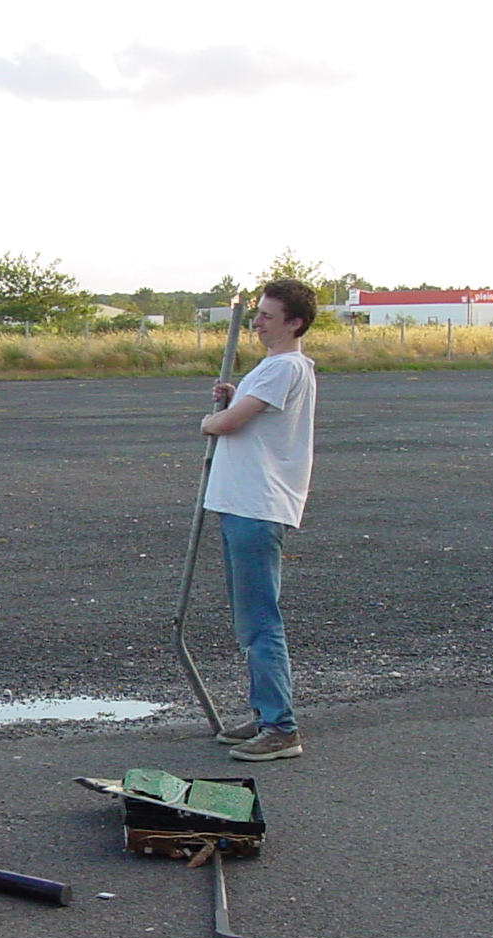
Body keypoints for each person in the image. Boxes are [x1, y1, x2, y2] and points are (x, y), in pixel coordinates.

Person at [200, 278, 318, 762]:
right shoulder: (274, 368)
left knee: (260, 621)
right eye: (258, 313)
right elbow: (252, 412)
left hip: (257, 506)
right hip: (243, 504)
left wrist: (212, 419)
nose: (257, 322)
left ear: (295, 323)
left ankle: (280, 727)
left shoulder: (285, 365)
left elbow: (228, 423)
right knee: (251, 621)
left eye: (269, 315)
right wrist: (236, 394)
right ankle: (267, 712)